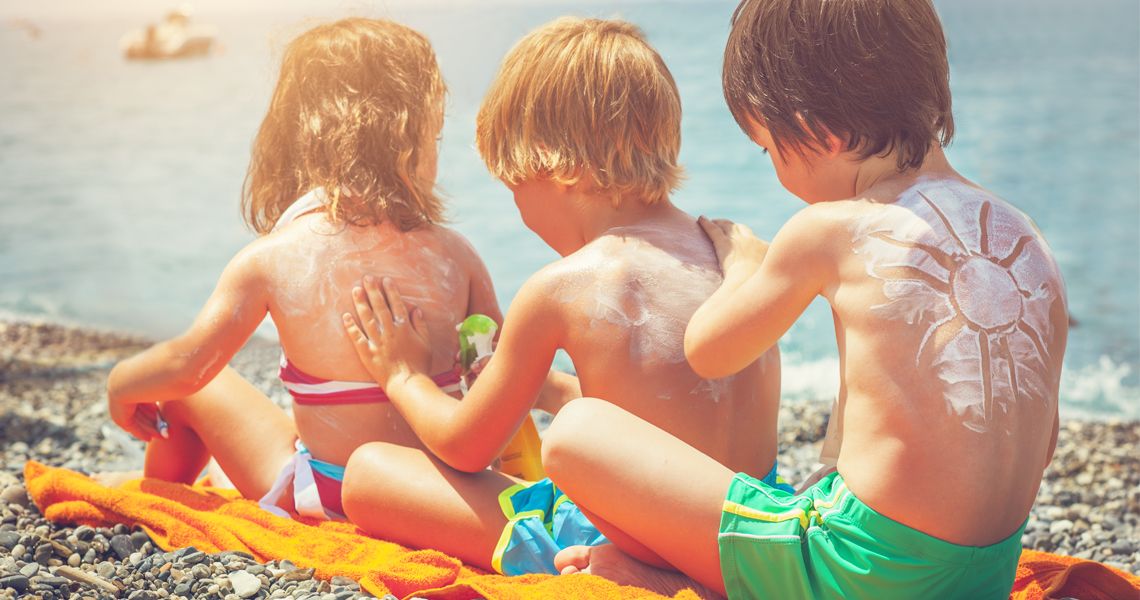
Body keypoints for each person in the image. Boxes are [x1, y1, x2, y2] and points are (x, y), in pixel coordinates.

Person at [542, 1, 1069, 598]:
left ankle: (677, 581)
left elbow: (709, 350)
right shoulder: (1024, 236)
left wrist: (743, 261)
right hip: (984, 575)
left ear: (821, 131)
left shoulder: (828, 230)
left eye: (768, 150)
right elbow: (1041, 439)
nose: (774, 173)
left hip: (858, 577)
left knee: (578, 432)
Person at [338, 17, 783, 577]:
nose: (519, 211)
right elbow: (670, 411)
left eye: (514, 186)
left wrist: (404, 375)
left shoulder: (563, 286)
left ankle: (573, 563)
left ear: (560, 166)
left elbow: (464, 445)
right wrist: (545, 389)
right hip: (750, 530)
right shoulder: (728, 251)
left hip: (645, 540)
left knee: (369, 473)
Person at [105, 18, 508, 521]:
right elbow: (497, 379)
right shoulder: (458, 255)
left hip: (333, 497)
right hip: (443, 494)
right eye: (436, 138)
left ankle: (157, 505)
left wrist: (121, 383)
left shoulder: (272, 258)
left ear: (297, 140)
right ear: (408, 142)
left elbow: (189, 367)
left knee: (192, 393)